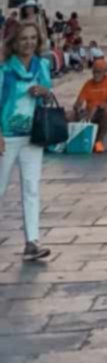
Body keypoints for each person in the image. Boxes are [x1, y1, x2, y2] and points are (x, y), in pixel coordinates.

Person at [0, 19, 54, 261]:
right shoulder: (4, 69)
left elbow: (47, 95)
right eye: (24, 38)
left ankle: (32, 241)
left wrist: (44, 92)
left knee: (32, 187)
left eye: (33, 38)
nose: (29, 43)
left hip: (33, 135)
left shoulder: (41, 65)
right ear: (14, 42)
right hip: (7, 136)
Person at [72, 57, 107, 152]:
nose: (95, 74)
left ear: (105, 72)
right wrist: (78, 108)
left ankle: (99, 141)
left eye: (98, 72)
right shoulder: (88, 84)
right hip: (89, 114)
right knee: (69, 115)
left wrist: (97, 106)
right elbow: (79, 101)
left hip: (103, 114)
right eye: (94, 72)